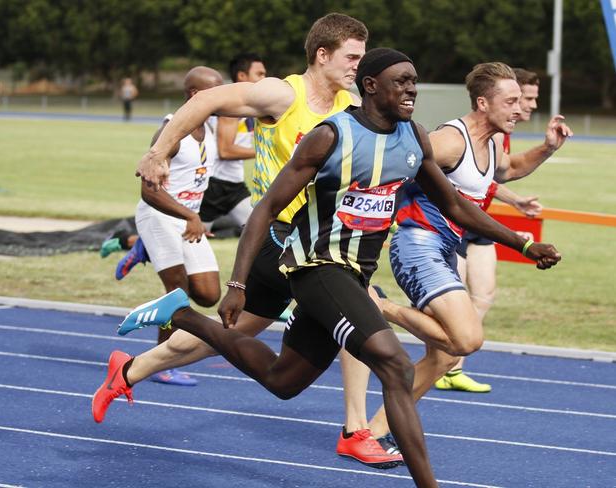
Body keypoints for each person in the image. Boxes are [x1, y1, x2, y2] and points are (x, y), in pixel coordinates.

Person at [110, 49, 561, 488]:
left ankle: (181, 315)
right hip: (316, 266)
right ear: (370, 86)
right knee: (396, 366)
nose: (411, 89)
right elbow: (266, 209)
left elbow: (456, 207)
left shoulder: (414, 138)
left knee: (282, 380)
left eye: (413, 81)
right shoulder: (331, 135)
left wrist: (522, 242)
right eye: (400, 81)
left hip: (355, 273)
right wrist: (236, 283)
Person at [94, 13, 409, 469]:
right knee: (362, 306)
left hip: (318, 241)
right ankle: (355, 430)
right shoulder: (283, 94)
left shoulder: (352, 103)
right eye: (352, 57)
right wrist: (158, 151)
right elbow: (205, 100)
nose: (359, 66)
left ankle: (128, 370)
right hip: (278, 240)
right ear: (322, 55)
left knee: (227, 337)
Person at [353, 62, 570, 450]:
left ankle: (375, 432)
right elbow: (396, 163)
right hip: (418, 245)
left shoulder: (492, 142)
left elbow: (511, 168)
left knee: (440, 359)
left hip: (443, 251)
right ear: (483, 103)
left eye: (521, 101)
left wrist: (548, 148)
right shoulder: (452, 140)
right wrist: (377, 222)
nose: (520, 109)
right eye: (512, 101)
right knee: (466, 340)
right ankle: (380, 306)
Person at [434, 67, 543, 392]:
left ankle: (453, 367)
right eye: (525, 98)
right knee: (460, 301)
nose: (530, 106)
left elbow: (494, 175)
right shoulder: (466, 134)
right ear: (489, 102)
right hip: (454, 224)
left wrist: (515, 202)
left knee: (484, 293)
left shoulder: (501, 133)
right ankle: (440, 359)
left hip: (481, 221)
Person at [130, 66, 225, 385]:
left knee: (209, 294)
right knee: (178, 292)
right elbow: (148, 189)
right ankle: (161, 363)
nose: (223, 97)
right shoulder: (171, 132)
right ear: (195, 95)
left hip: (188, 220)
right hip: (160, 217)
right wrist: (190, 215)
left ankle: (140, 249)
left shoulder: (209, 129)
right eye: (216, 91)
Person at [199, 53, 267, 234]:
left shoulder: (250, 106)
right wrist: (263, 151)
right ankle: (138, 246)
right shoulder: (232, 106)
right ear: (242, 76)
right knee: (191, 238)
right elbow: (225, 150)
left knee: (258, 232)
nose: (264, 79)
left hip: (234, 186)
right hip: (214, 186)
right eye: (259, 74)